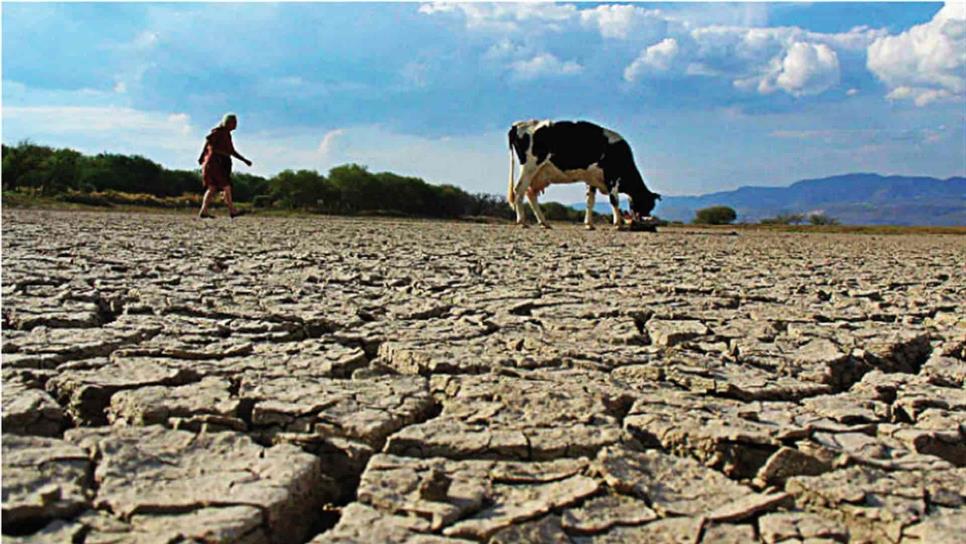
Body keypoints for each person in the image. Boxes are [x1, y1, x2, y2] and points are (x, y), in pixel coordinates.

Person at [198, 113, 252, 218]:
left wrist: (244, 160)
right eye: (234, 122)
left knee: (212, 188)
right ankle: (232, 211)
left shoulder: (226, 135)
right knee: (226, 186)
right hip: (215, 162)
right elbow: (208, 142)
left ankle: (203, 211)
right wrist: (202, 156)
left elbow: (231, 151)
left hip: (217, 162)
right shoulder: (218, 132)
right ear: (228, 122)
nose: (236, 125)